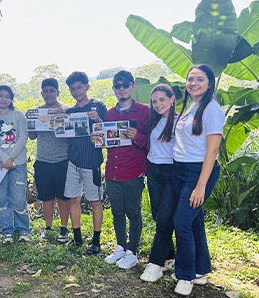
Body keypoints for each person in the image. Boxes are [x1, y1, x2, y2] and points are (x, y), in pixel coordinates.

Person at [172, 64, 225, 296]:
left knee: (181, 222)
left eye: (200, 79)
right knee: (194, 221)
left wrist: (201, 185)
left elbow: (212, 151)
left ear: (210, 83)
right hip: (180, 168)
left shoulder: (212, 110)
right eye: (190, 79)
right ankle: (201, 270)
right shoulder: (193, 105)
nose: (193, 83)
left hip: (198, 171)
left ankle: (186, 276)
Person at [96, 71, 149, 267]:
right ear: (113, 89)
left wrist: (137, 137)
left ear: (133, 87)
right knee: (117, 211)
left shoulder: (145, 111)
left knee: (133, 212)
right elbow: (109, 141)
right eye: (117, 85)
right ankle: (120, 246)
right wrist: (98, 139)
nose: (121, 88)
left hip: (134, 170)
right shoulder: (109, 114)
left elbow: (154, 141)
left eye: (125, 84)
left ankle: (132, 251)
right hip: (112, 171)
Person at [62, 71, 107, 252]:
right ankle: (77, 237)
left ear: (87, 86)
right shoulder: (70, 112)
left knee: (95, 201)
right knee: (73, 199)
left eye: (79, 87)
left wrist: (99, 120)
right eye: (73, 89)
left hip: (92, 161)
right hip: (73, 160)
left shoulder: (99, 106)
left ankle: (96, 241)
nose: (76, 91)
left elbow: (108, 134)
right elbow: (66, 139)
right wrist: (60, 126)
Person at [141, 84, 177, 282]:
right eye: (154, 101)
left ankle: (155, 264)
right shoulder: (153, 120)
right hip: (153, 171)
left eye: (162, 99)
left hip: (172, 172)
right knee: (158, 216)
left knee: (164, 219)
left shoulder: (180, 122)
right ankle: (170, 257)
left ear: (172, 99)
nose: (157, 104)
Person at [0, 86, 30, 240]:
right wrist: (4, 160)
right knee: (1, 198)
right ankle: (7, 231)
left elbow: (23, 138)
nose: (3, 99)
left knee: (18, 197)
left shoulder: (19, 115)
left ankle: (23, 230)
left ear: (11, 99)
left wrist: (10, 158)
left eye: (7, 96)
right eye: (0, 96)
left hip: (18, 163)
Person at [28, 78, 71, 242]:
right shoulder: (38, 112)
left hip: (63, 160)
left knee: (63, 196)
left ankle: (64, 227)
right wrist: (30, 121)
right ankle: (48, 227)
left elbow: (70, 138)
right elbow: (32, 137)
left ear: (58, 92)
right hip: (43, 160)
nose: (49, 94)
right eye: (45, 91)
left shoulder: (66, 110)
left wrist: (60, 122)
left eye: (52, 91)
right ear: (42, 93)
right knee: (46, 197)